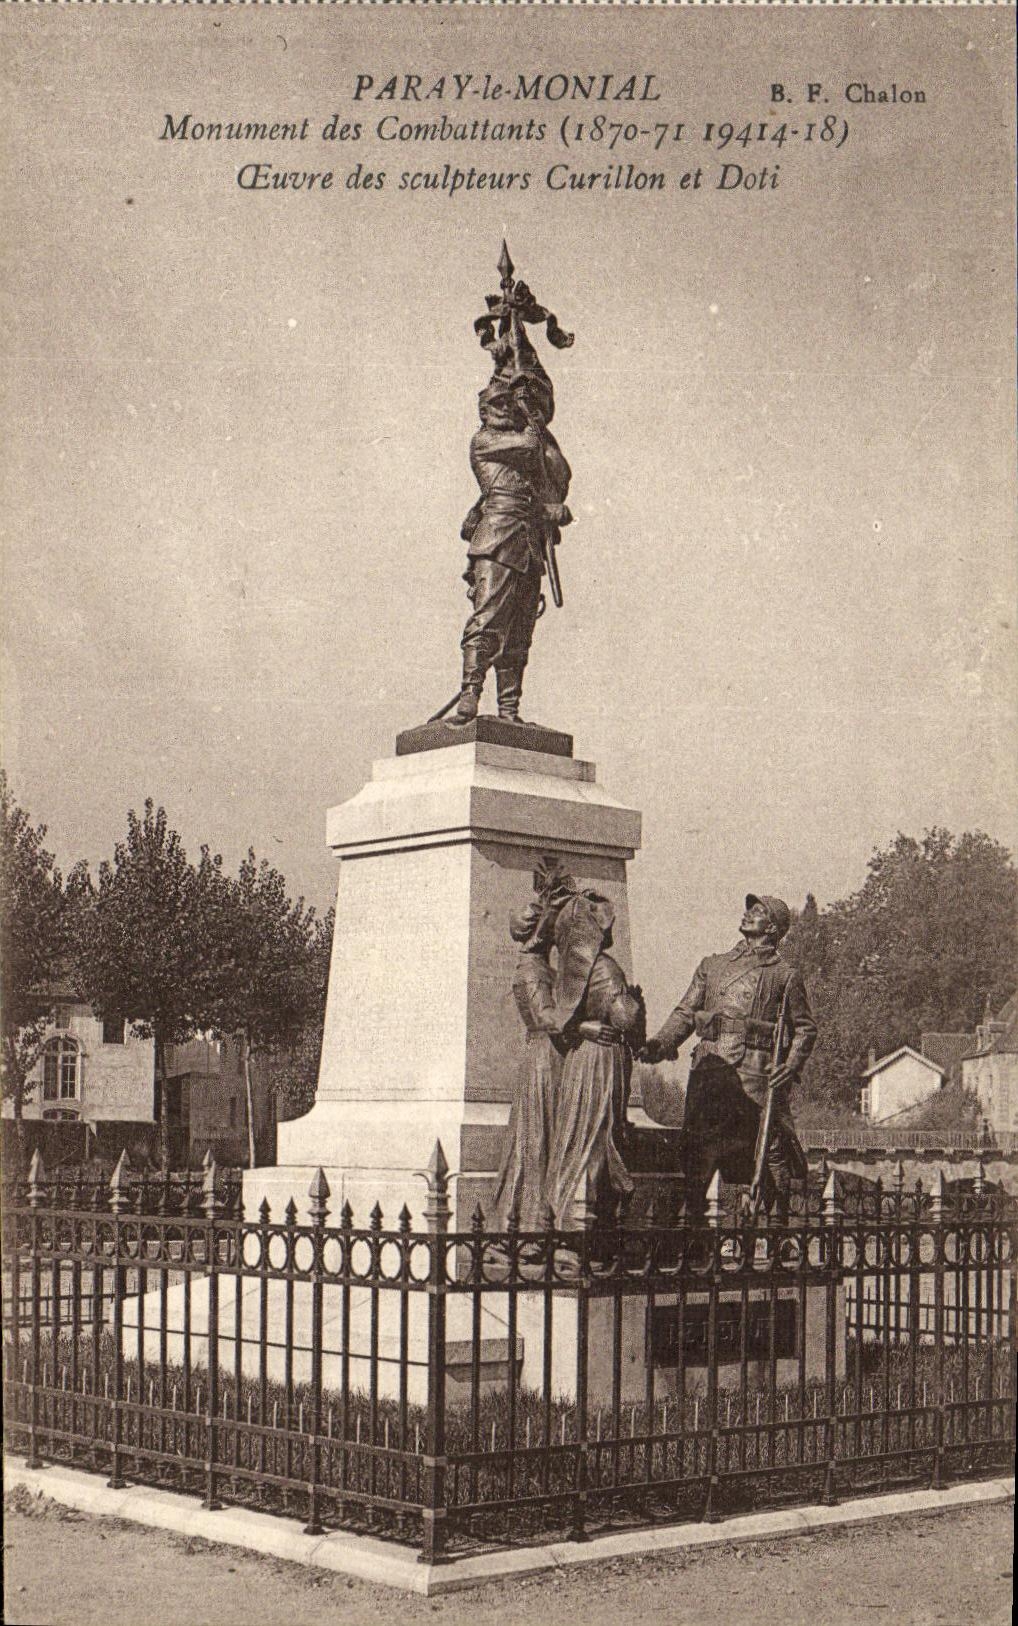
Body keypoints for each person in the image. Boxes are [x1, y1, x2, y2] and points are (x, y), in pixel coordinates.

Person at [641, 894, 817, 1218]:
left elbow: (805, 1028)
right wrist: (661, 1043)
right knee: (698, 1152)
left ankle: (773, 1233)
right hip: (709, 1068)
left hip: (754, 1074)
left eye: (759, 911)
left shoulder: (784, 974)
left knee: (764, 1155)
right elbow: (685, 1012)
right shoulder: (712, 965)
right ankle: (694, 1235)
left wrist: (790, 1066)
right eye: (750, 908)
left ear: (773, 927)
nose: (749, 914)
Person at [450, 374, 572, 726]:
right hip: (497, 539)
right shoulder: (485, 441)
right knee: (488, 619)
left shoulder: (523, 455)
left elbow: (544, 478)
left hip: (528, 545)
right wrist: (530, 412)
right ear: (485, 410)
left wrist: (551, 510)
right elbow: (532, 445)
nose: (507, 409)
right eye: (500, 404)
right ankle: (470, 694)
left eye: (510, 403)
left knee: (519, 632)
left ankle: (509, 710)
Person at [543, 889, 645, 1228]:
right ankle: (594, 1214)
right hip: (602, 1060)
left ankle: (563, 1214)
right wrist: (635, 1003)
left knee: (576, 1133)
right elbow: (625, 1019)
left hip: (579, 1059)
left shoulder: (570, 968)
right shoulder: (605, 968)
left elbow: (559, 1018)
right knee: (597, 1132)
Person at [490, 897, 567, 1230]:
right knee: (538, 1142)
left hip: (554, 1056)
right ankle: (531, 1225)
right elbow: (548, 1018)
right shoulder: (530, 971)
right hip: (544, 1059)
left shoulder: (543, 968)